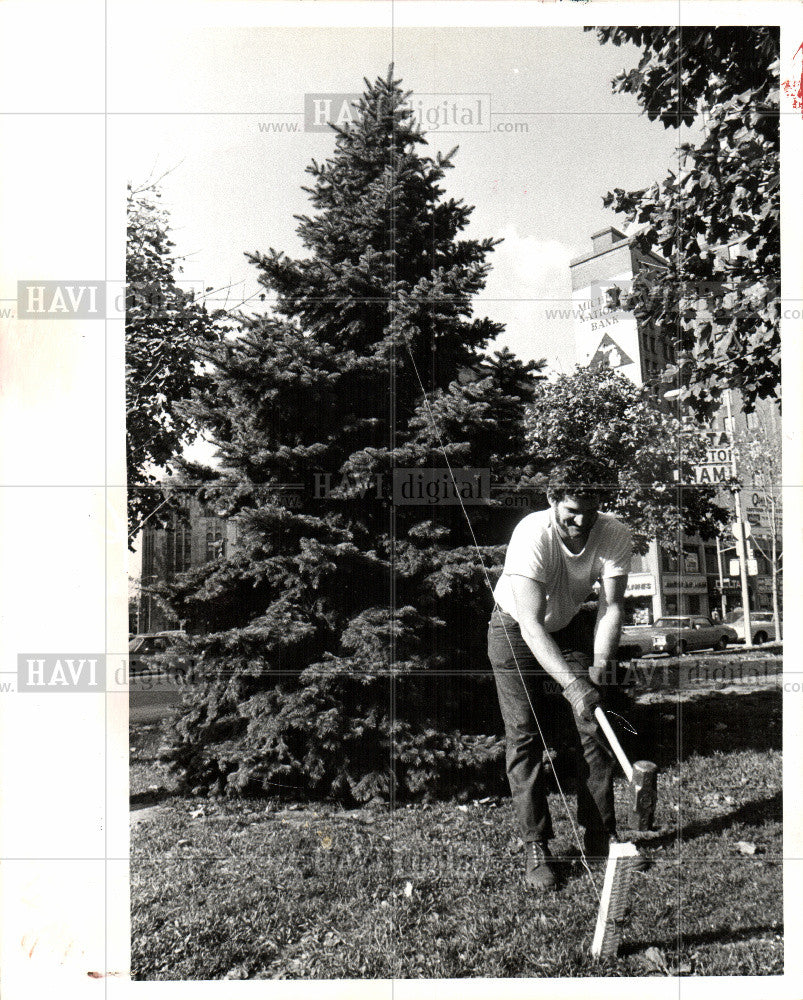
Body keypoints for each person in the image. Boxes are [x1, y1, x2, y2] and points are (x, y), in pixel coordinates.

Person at [488, 457, 636, 891]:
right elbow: (531, 623)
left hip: (568, 626)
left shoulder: (614, 532)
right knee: (523, 733)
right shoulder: (532, 533)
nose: (582, 521)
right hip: (514, 629)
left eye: (591, 511)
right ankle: (537, 846)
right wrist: (571, 685)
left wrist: (599, 665)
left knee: (594, 724)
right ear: (552, 499)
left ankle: (600, 835)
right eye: (573, 510)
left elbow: (611, 607)